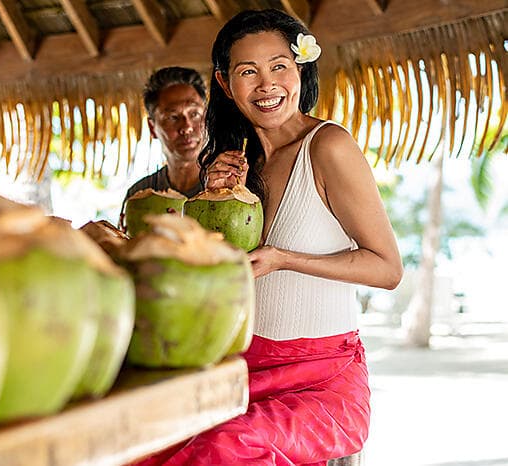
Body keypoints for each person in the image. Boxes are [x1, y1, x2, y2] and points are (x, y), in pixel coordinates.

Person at [134, 9, 403, 466]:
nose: (267, 84)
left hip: (323, 379)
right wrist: (208, 202)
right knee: (142, 443)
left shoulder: (329, 147)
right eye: (248, 72)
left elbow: (387, 268)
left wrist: (286, 258)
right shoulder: (236, 162)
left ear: (300, 68)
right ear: (224, 83)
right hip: (244, 367)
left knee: (225, 447)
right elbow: (215, 276)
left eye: (279, 66)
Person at [120, 67, 207, 227]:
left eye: (194, 114)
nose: (187, 127)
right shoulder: (139, 195)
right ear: (153, 128)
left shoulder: (227, 187)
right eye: (173, 117)